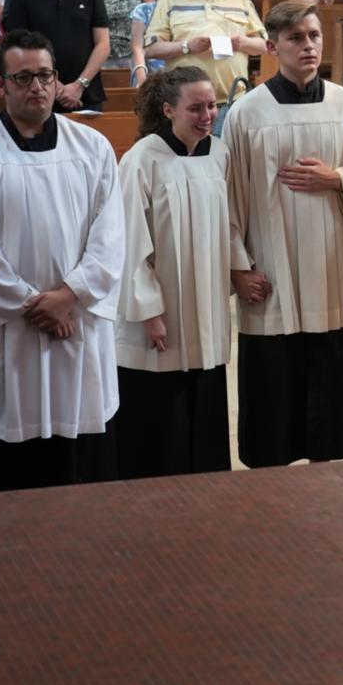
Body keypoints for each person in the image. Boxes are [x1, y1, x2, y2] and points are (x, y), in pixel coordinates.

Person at [0, 31, 125, 495]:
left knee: (77, 453)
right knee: (5, 463)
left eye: (44, 75)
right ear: (0, 84)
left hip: (74, 320)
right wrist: (33, 304)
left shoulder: (92, 148)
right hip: (9, 328)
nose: (36, 87)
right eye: (22, 78)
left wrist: (70, 296)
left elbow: (111, 235)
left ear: (57, 79)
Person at [225, 1, 343, 465]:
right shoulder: (247, 114)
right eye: (297, 38)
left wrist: (338, 179)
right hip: (271, 263)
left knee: (330, 363)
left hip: (328, 265)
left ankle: (331, 457)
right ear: (273, 45)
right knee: (274, 376)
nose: (308, 46)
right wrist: (238, 268)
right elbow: (230, 197)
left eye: (314, 36)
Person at [113, 66, 233, 477]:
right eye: (196, 108)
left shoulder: (218, 153)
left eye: (212, 105)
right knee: (159, 403)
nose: (207, 115)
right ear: (167, 110)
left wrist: (241, 269)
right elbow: (129, 240)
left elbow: (228, 223)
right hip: (161, 305)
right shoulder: (142, 160)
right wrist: (148, 311)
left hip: (208, 298)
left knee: (205, 385)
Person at [142, 0, 267, 124]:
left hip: (234, 102)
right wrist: (187, 47)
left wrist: (241, 42)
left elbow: (264, 45)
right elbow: (151, 49)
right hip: (187, 106)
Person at [3, 0, 111, 113]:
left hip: (87, 92)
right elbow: (19, 48)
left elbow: (103, 44)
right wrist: (57, 88)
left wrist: (79, 84)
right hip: (39, 92)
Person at [128, 0, 191, 87]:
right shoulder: (144, 10)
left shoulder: (191, 11)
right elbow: (137, 47)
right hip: (150, 74)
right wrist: (142, 77)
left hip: (183, 74)